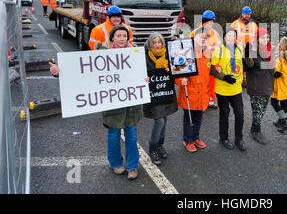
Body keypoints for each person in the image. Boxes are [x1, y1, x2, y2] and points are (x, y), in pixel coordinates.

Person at [49, 25, 146, 180]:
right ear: (112, 38)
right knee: (113, 137)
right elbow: (82, 73)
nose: (122, 39)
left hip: (131, 106)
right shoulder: (102, 55)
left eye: (124, 36)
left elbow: (145, 72)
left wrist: (145, 79)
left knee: (132, 137)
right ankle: (115, 164)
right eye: (118, 36)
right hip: (112, 106)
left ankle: (133, 166)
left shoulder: (134, 54)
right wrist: (59, 72)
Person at [210, 28, 253, 151]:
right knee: (224, 114)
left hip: (236, 89)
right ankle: (224, 138)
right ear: (224, 37)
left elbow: (249, 65)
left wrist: (248, 54)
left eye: (233, 35)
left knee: (240, 114)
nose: (231, 37)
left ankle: (239, 139)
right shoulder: (218, 50)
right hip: (222, 89)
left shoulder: (240, 49)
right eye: (228, 35)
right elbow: (212, 69)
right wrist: (224, 77)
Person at [143, 32, 178, 165]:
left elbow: (177, 71)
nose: (157, 45)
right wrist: (143, 78)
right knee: (160, 122)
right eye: (154, 42)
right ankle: (152, 148)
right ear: (150, 44)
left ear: (163, 44)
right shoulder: (145, 57)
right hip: (154, 95)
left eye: (159, 42)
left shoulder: (169, 55)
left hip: (166, 94)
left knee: (165, 119)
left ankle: (159, 145)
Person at [175, 28, 210, 152]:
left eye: (205, 38)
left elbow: (208, 71)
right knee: (188, 118)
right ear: (194, 37)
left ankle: (195, 137)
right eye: (200, 37)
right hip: (190, 92)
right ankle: (187, 140)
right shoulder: (186, 52)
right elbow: (177, 71)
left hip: (202, 93)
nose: (203, 39)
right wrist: (180, 81)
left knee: (199, 117)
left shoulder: (207, 53)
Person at [245, 27, 274, 144]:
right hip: (257, 85)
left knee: (262, 109)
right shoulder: (253, 51)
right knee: (258, 110)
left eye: (267, 37)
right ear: (257, 39)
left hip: (267, 84)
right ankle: (257, 131)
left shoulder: (269, 50)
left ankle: (254, 127)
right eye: (263, 37)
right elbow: (254, 64)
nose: (266, 39)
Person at [190, 10, 222, 110]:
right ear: (204, 21)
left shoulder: (215, 33)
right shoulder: (195, 32)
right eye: (210, 21)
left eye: (213, 21)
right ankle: (199, 102)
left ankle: (210, 101)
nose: (212, 23)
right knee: (199, 83)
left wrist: (217, 62)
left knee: (211, 83)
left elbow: (219, 48)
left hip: (212, 62)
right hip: (199, 62)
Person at [231, 6, 258, 87]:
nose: (247, 16)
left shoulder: (254, 24)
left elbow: (257, 36)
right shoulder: (235, 24)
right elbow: (230, 35)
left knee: (251, 65)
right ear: (242, 14)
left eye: (249, 14)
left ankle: (248, 80)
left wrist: (254, 45)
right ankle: (241, 80)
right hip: (239, 48)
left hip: (251, 49)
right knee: (240, 65)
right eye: (245, 14)